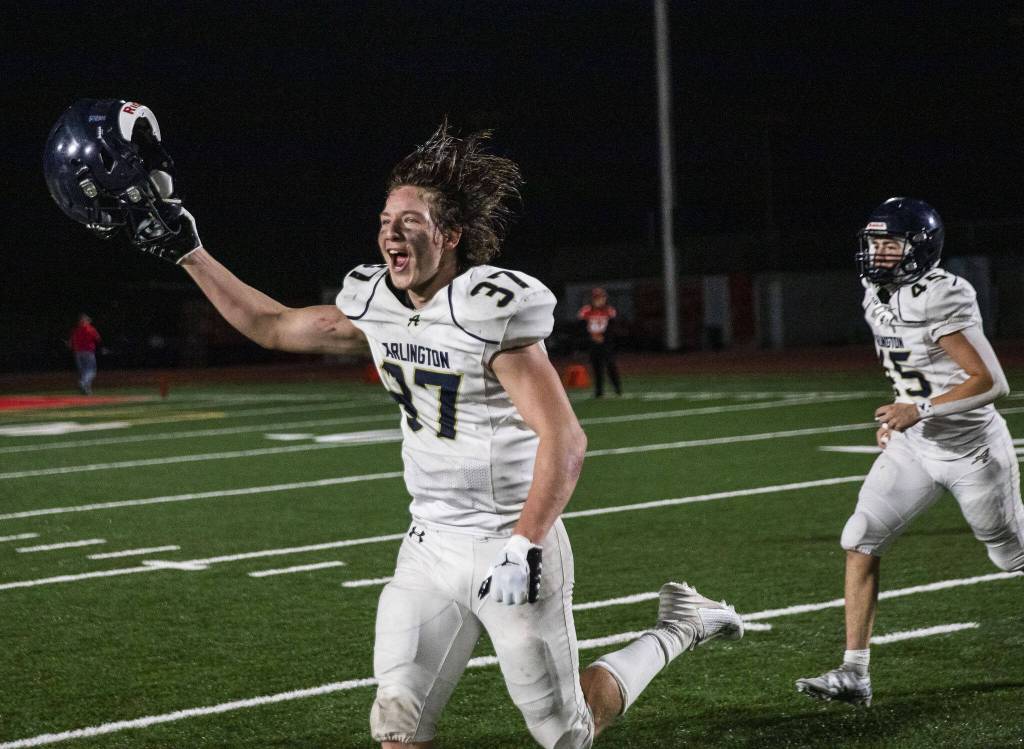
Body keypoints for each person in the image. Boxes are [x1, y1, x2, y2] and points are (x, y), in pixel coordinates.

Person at [43, 101, 744, 748]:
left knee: (568, 731)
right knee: (397, 719)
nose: (391, 233)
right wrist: (191, 252)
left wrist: (526, 544)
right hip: (432, 546)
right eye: (385, 221)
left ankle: (678, 626)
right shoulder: (376, 303)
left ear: (452, 235)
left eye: (409, 222)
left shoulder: (487, 311)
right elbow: (274, 324)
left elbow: (566, 438)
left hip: (510, 542)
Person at [796, 197, 1024, 707]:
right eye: (874, 243)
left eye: (890, 243)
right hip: (915, 447)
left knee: (1012, 556)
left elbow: (992, 382)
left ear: (919, 248)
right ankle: (854, 673)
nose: (878, 253)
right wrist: (903, 417)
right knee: (860, 538)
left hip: (971, 451)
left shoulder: (943, 295)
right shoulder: (873, 290)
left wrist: (917, 408)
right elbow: (911, 366)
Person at [577, 287, 622, 397]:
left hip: (606, 342)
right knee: (596, 366)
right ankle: (599, 391)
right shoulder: (585, 311)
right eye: (596, 298)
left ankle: (617, 388)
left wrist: (603, 337)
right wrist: (591, 336)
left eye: (601, 298)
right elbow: (581, 328)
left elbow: (612, 327)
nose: (599, 300)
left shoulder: (609, 311)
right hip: (592, 342)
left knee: (610, 364)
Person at [68, 313, 101, 395]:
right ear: (85, 321)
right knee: (91, 371)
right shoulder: (91, 329)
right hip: (88, 352)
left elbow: (70, 343)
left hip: (78, 353)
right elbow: (98, 339)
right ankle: (83, 383)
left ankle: (87, 390)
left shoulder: (76, 330)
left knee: (83, 372)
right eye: (88, 320)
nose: (89, 322)